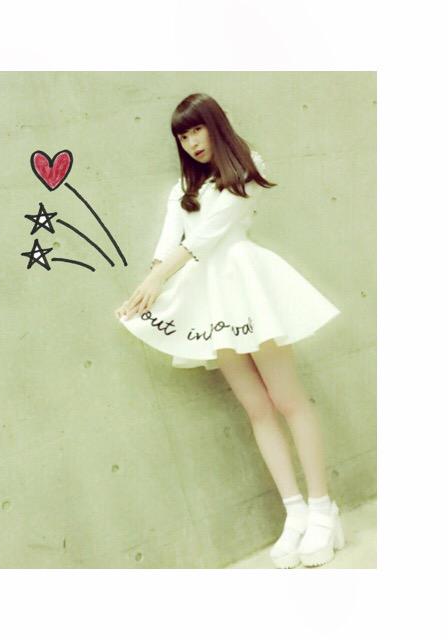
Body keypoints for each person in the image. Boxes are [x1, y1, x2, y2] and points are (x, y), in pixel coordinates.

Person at [114, 93, 344, 568]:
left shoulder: (248, 168)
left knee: (287, 399)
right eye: (183, 136)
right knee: (256, 408)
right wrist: (145, 289)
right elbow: (167, 245)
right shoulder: (181, 188)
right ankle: (296, 513)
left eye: (196, 129)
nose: (192, 142)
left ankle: (324, 510)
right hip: (209, 298)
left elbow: (207, 236)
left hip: (246, 285)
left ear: (214, 125)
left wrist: (159, 278)